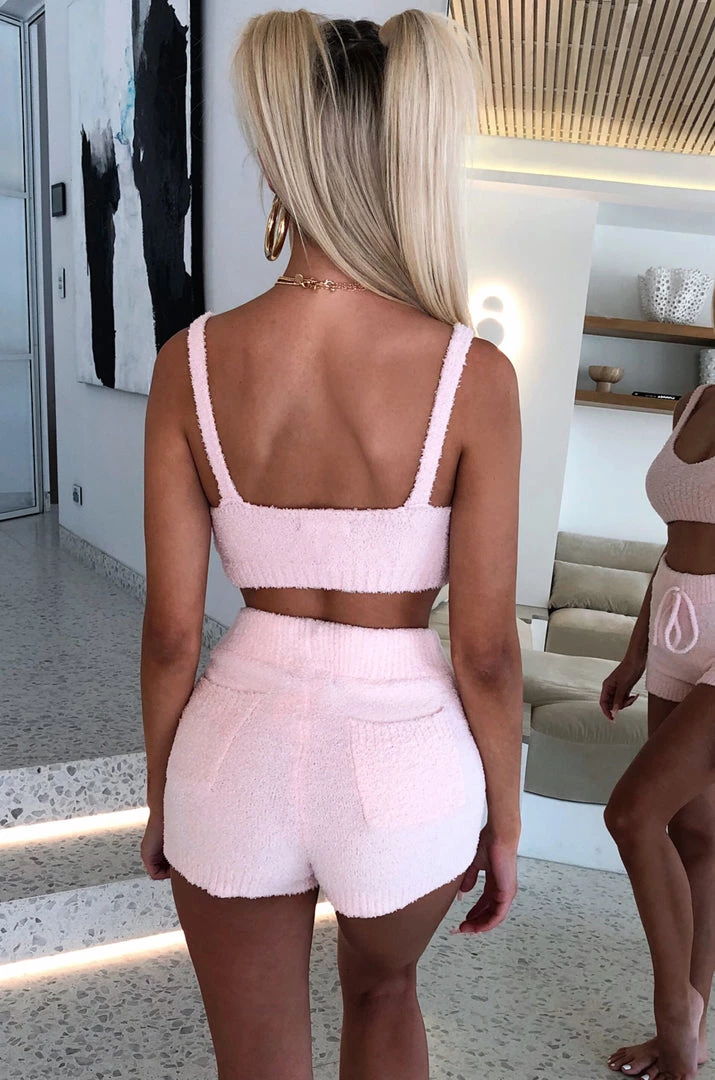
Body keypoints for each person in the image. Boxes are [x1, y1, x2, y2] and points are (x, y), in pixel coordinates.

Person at [140, 11, 522, 1080]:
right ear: (401, 158)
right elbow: (486, 653)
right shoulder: (473, 376)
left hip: (234, 749)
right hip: (405, 764)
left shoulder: (189, 362)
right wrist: (503, 821)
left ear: (281, 157)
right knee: (385, 994)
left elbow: (171, 636)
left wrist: (166, 796)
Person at [602, 289, 715, 1080]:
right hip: (675, 626)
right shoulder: (694, 400)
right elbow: (671, 545)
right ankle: (692, 1020)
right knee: (693, 835)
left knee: (631, 814)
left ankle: (673, 1024)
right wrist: (634, 653)